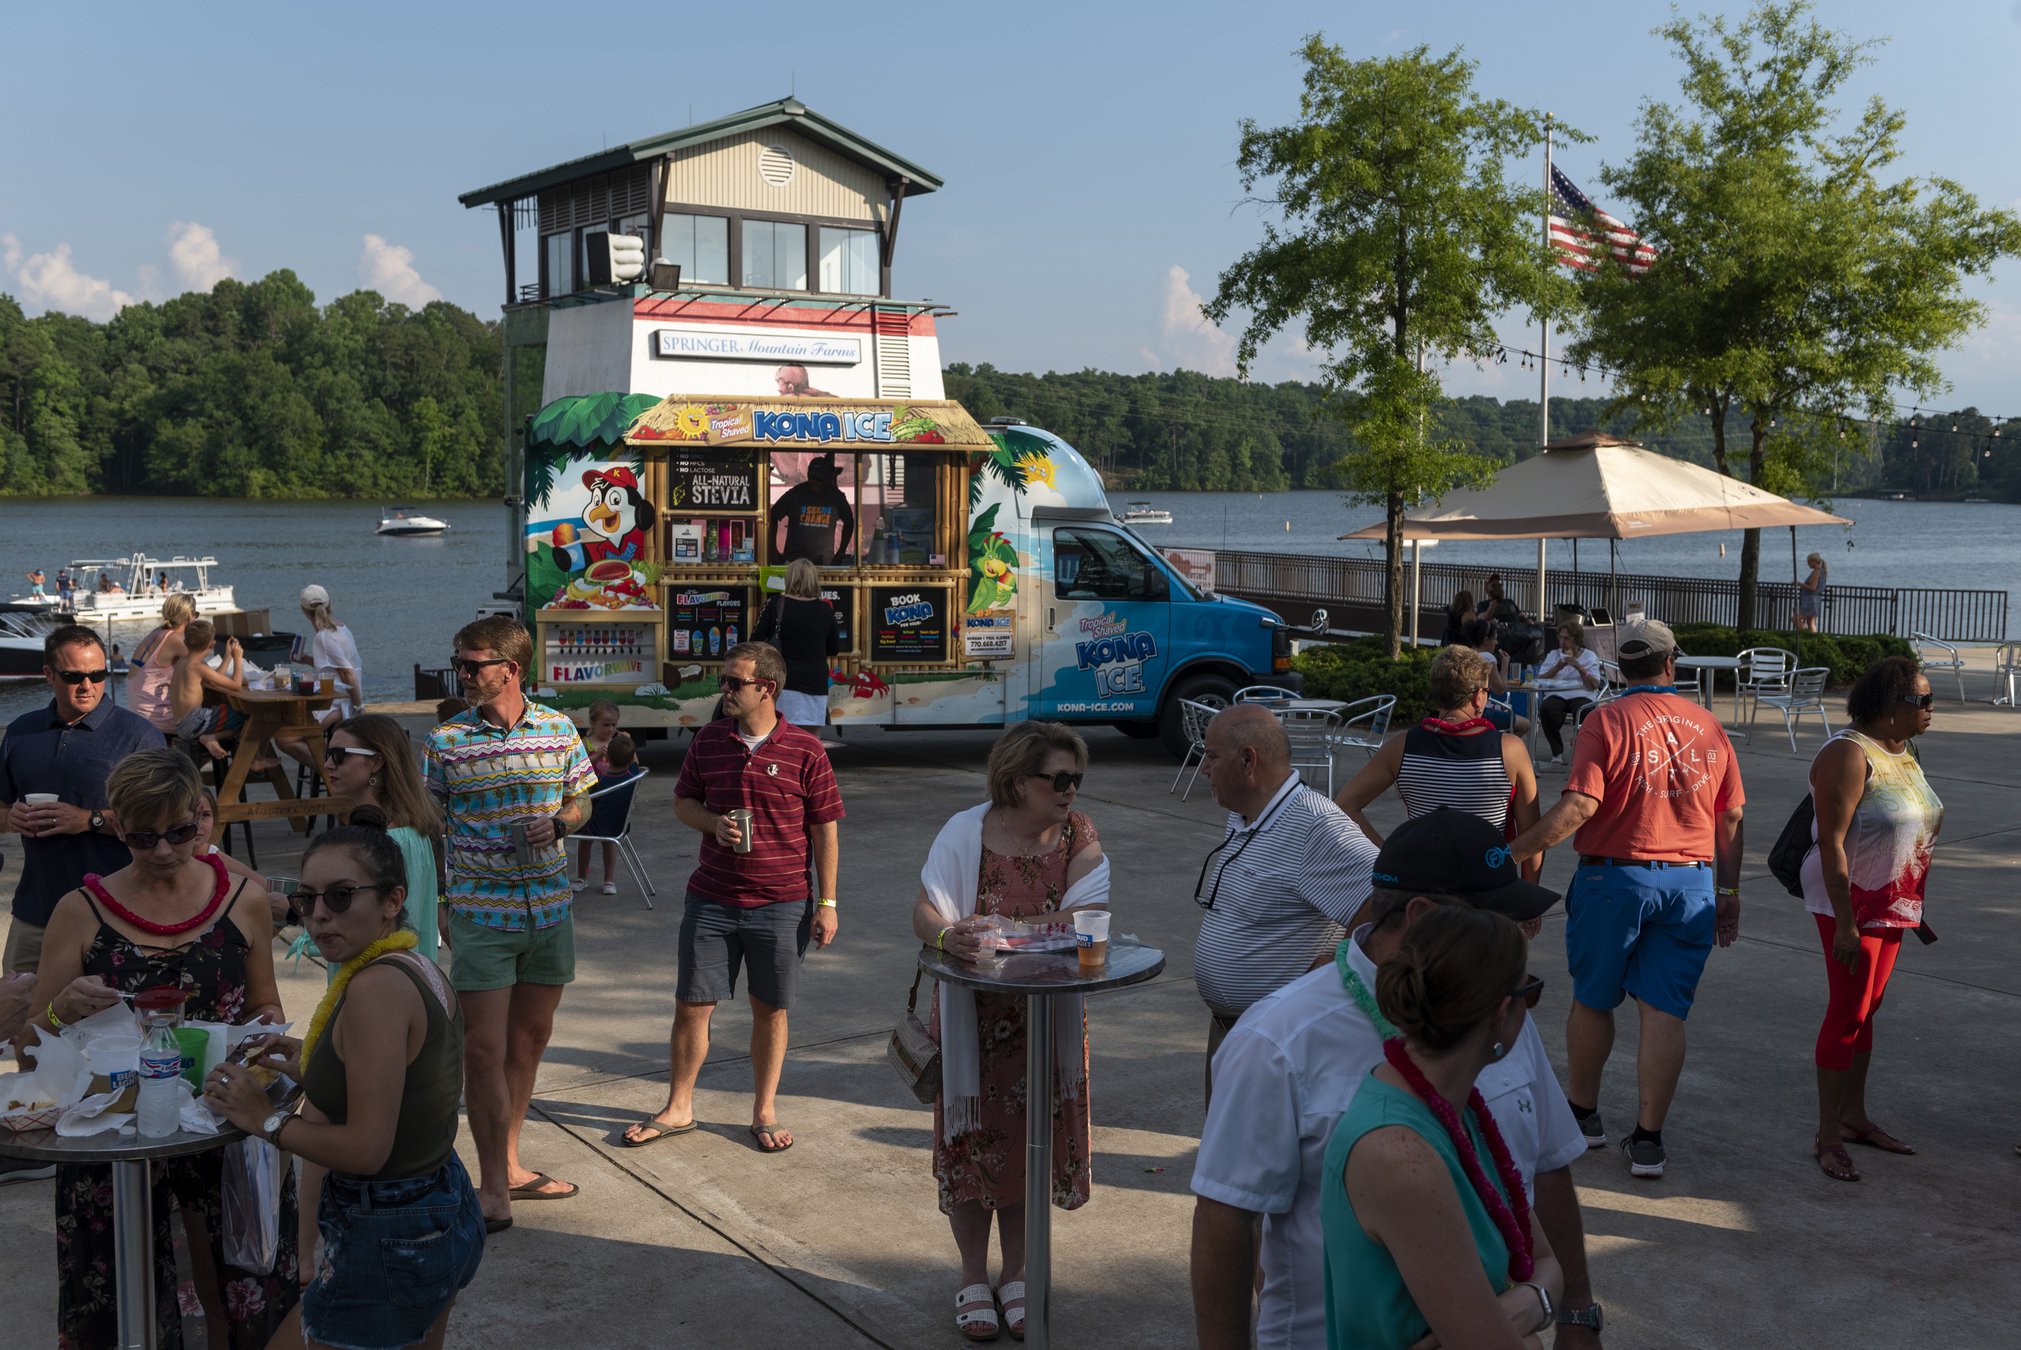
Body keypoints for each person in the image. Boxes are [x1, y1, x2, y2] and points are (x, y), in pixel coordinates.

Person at [1191, 810, 1602, 1350]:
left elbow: (1543, 1164)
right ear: (1422, 915)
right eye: (1496, 918)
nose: (1516, 938)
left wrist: (1572, 1314)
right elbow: (1225, 1216)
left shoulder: (1496, 1003)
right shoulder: (1277, 1041)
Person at [28, 748, 298, 1348]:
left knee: (244, 1285)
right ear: (118, 826)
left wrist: (261, 1034)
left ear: (200, 817)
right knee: (117, 1298)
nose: (164, 852)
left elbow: (266, 1005)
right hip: (115, 1130)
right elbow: (31, 1043)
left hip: (222, 1117)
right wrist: (60, 1009)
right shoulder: (80, 910)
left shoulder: (243, 899)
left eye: (179, 832)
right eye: (143, 838)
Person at [204, 810, 485, 1350]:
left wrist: (264, 1117)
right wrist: (317, 1063)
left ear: (392, 900)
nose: (318, 916)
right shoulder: (414, 964)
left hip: (391, 1230)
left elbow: (365, 1149)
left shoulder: (375, 990)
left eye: (340, 896)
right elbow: (403, 1081)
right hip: (439, 1202)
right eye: (307, 899)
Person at [1509, 617, 1745, 1180]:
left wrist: (1510, 853)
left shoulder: (1605, 720)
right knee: (1663, 1010)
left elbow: (1581, 805)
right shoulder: (1709, 725)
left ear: (1622, 667)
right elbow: (1731, 815)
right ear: (1671, 664)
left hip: (1613, 881)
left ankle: (1583, 1115)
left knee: (1594, 1000)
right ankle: (1648, 1141)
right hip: (1690, 885)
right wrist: (1729, 891)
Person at [911, 722, 1109, 1340]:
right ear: (1019, 781)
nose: (1071, 791)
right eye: (1059, 779)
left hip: (1042, 1020)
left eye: (1076, 778)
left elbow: (1089, 911)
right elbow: (924, 911)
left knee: (1029, 1147)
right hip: (972, 1017)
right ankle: (974, 1277)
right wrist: (948, 935)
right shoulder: (964, 830)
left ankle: (1017, 1275)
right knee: (969, 1147)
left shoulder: (1078, 833)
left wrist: (1007, 931)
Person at [624, 642, 843, 1153]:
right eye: (723, 680)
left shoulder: (806, 750)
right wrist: (712, 824)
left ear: (767, 688)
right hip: (712, 899)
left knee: (770, 1009)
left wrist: (828, 904)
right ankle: (679, 1107)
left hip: (782, 903)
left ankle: (764, 1110)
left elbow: (825, 830)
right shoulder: (708, 741)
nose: (723, 689)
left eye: (733, 682)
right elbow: (683, 802)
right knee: (691, 1006)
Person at [1322, 905, 1565, 1349]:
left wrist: (1531, 1303)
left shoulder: (1456, 1109)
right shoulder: (1400, 1155)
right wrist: (1528, 1329)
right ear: (1502, 1012)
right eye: (1529, 990)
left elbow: (1547, 1263)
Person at [425, 616, 596, 1230]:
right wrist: (440, 899)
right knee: (483, 1050)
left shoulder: (558, 728)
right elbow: (427, 825)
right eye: (459, 664)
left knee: (530, 1041)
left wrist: (561, 823)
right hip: (481, 913)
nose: (462, 675)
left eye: (472, 665)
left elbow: (582, 798)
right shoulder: (445, 742)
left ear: (511, 669)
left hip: (550, 909)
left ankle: (511, 1163)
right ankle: (492, 1187)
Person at [1801, 656, 1941, 1182]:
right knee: (1847, 1012)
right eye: (1922, 700)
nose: (1931, 708)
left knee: (1867, 1010)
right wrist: (1845, 923)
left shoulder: (1904, 749)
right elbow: (1831, 843)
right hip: (1852, 903)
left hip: (1893, 902)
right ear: (1889, 705)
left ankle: (1854, 1117)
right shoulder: (1848, 753)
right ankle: (1828, 1135)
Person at [1192, 704, 1377, 1099]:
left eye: (1211, 757)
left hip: (1281, 1042)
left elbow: (1386, 895)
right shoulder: (1244, 813)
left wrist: (1338, 964)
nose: (1204, 769)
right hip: (1235, 1030)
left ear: (1248, 761)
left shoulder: (1315, 824)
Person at [1, 625, 165, 977]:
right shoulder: (20, 732)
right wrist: (10, 818)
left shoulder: (139, 737)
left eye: (97, 674)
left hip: (118, 916)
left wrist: (89, 820)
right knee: (17, 1006)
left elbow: (163, 825)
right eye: (73, 676)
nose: (87, 685)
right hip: (36, 913)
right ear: (49, 674)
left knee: (116, 1011)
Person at [1335, 646, 1543, 886]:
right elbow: (1533, 835)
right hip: (1488, 887)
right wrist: (1528, 893)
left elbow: (1344, 804)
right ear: (1478, 697)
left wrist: (1388, 857)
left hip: (1422, 886)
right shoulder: (1510, 750)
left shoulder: (1401, 747)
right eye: (1486, 692)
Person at [326, 714, 447, 963]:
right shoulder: (403, 831)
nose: (328, 764)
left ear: (376, 762)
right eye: (327, 754)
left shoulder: (395, 841)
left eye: (339, 755)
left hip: (381, 977)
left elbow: (389, 930)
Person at [278, 584, 366, 772]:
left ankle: (333, 771)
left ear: (304, 611)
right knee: (291, 723)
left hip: (337, 705)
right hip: (343, 700)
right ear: (329, 603)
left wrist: (359, 708)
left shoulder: (324, 637)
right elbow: (335, 669)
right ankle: (333, 761)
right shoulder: (342, 628)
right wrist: (307, 660)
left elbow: (347, 673)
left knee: (285, 739)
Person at [753, 558, 840, 732]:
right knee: (811, 737)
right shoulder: (825, 610)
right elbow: (833, 649)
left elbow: (754, 641)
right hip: (815, 683)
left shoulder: (775, 605)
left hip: (782, 683)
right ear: (813, 580)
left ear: (789, 578)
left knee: (779, 734)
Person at [167, 619, 251, 760]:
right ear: (212, 644)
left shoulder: (182, 662)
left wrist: (228, 657)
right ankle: (251, 759)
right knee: (246, 714)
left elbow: (213, 680)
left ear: (185, 642)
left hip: (181, 726)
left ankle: (213, 738)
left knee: (235, 715)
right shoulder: (199, 667)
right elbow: (236, 685)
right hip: (195, 722)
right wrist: (238, 659)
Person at [1532, 623, 1605, 766]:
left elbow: (1595, 684)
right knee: (1547, 709)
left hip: (1581, 693)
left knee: (1585, 711)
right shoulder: (1553, 655)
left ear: (1576, 639)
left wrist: (1579, 668)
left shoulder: (1589, 656)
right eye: (1560, 638)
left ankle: (1579, 747)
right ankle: (1556, 751)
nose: (1562, 642)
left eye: (1566, 638)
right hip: (1558, 693)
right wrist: (1557, 667)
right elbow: (1540, 678)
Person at [572, 699, 625, 893]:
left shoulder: (618, 743)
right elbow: (577, 768)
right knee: (585, 839)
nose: (610, 729)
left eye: (614, 725)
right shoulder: (585, 743)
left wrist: (620, 752)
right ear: (593, 723)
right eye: (605, 725)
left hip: (610, 800)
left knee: (608, 840)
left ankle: (609, 880)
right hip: (590, 798)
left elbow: (631, 764)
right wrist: (595, 756)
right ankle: (582, 876)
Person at [129, 594, 199, 733]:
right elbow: (202, 667)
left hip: (137, 714)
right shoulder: (174, 639)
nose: (196, 618)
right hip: (155, 719)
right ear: (187, 617)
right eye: (195, 614)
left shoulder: (156, 633)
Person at [770, 454, 856, 565]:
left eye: (819, 479)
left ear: (826, 478)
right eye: (811, 478)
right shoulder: (796, 493)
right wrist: (772, 550)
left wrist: (841, 553)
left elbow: (849, 523)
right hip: (794, 562)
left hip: (822, 563)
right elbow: (773, 516)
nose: (814, 482)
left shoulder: (836, 497)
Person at [1466, 617, 1532, 736]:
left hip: (1466, 709)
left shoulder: (1467, 655)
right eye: (1495, 639)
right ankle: (1501, 745)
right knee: (1525, 724)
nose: (1496, 643)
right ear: (1486, 640)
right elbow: (1500, 690)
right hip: (1481, 712)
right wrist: (1505, 665)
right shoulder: (1488, 658)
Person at [1799, 551, 1829, 633]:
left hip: (1810, 600)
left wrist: (1799, 584)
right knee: (1811, 622)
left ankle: (1805, 633)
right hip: (1815, 599)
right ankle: (1813, 637)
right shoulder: (1822, 571)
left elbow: (1812, 587)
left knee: (1796, 619)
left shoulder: (1816, 572)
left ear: (1813, 562)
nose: (1808, 564)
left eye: (1809, 562)